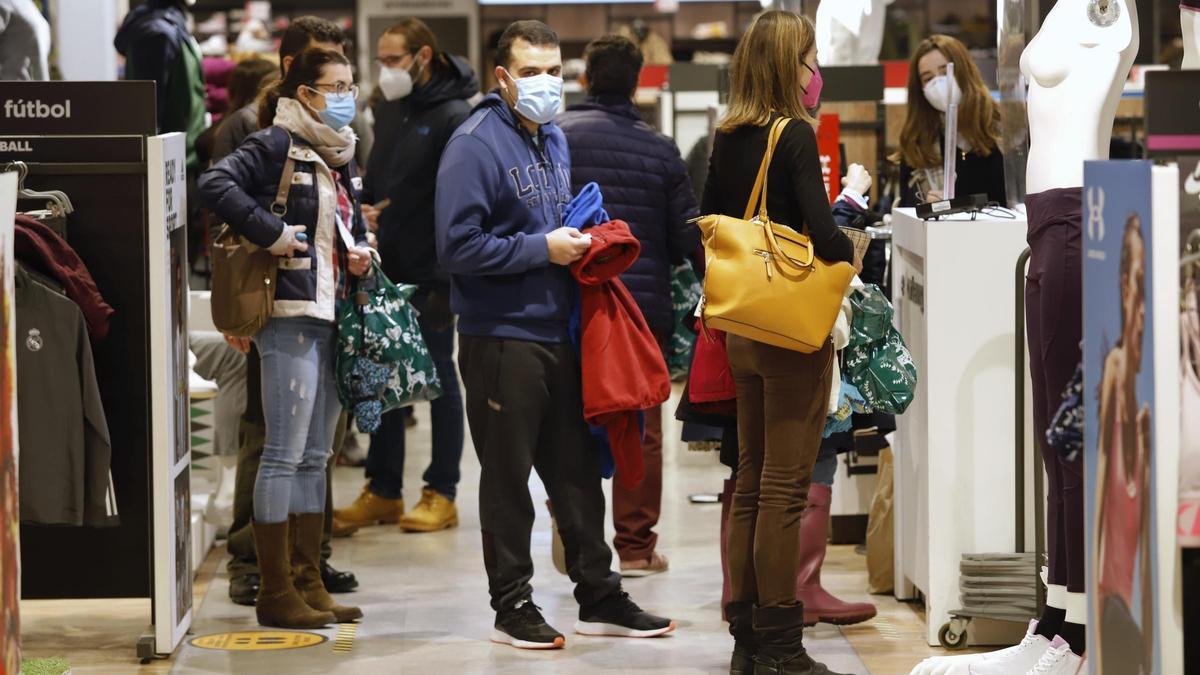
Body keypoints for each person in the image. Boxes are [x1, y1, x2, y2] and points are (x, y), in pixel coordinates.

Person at [435, 19, 673, 650]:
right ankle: (511, 606)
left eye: (554, 70)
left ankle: (599, 595)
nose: (547, 82)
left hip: (558, 330)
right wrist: (542, 248)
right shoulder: (474, 144)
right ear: (503, 77)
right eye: (532, 71)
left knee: (574, 471)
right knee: (508, 478)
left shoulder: (553, 140)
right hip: (500, 336)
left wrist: (583, 239)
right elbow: (457, 246)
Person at [702, 10, 856, 675]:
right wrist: (848, 247)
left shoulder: (729, 134)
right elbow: (822, 234)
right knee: (786, 490)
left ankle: (747, 643)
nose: (813, 71)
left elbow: (704, 226)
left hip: (740, 326)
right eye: (809, 59)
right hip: (792, 332)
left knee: (752, 480)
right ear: (791, 65)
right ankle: (783, 649)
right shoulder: (793, 134)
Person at [199, 48, 373, 629]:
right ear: (305, 93)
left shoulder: (339, 150)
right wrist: (270, 231)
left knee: (316, 455)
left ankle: (306, 580)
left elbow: (349, 220)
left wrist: (362, 251)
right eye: (336, 85)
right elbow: (216, 184)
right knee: (283, 452)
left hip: (333, 310)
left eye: (352, 83)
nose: (347, 94)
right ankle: (275, 591)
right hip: (290, 312)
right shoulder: (274, 142)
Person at [556, 34, 699, 577]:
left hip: (572, 303)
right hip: (640, 311)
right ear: (640, 81)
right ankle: (635, 547)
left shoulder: (557, 139)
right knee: (640, 424)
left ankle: (575, 536)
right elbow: (688, 237)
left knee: (570, 420)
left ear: (585, 78)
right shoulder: (660, 149)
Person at [334, 18, 477, 534]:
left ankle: (442, 490)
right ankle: (383, 488)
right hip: (383, 266)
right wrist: (364, 210)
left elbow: (458, 200)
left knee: (438, 378)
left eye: (393, 59)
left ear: (423, 56)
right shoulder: (391, 107)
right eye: (381, 59)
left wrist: (445, 277)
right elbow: (379, 180)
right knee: (377, 376)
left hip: (432, 273)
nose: (385, 69)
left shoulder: (455, 115)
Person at [1093, 216, 1153, 675]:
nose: (1143, 308)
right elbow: (1095, 522)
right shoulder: (1113, 372)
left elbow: (1149, 575)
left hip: (1129, 629)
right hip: (1109, 617)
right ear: (1122, 288)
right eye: (1136, 284)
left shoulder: (1148, 417)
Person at [892, 34, 1006, 206]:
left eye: (945, 72)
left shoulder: (1000, 132)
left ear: (964, 72)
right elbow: (906, 206)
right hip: (940, 232)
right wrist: (926, 203)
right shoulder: (917, 141)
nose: (938, 83)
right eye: (928, 79)